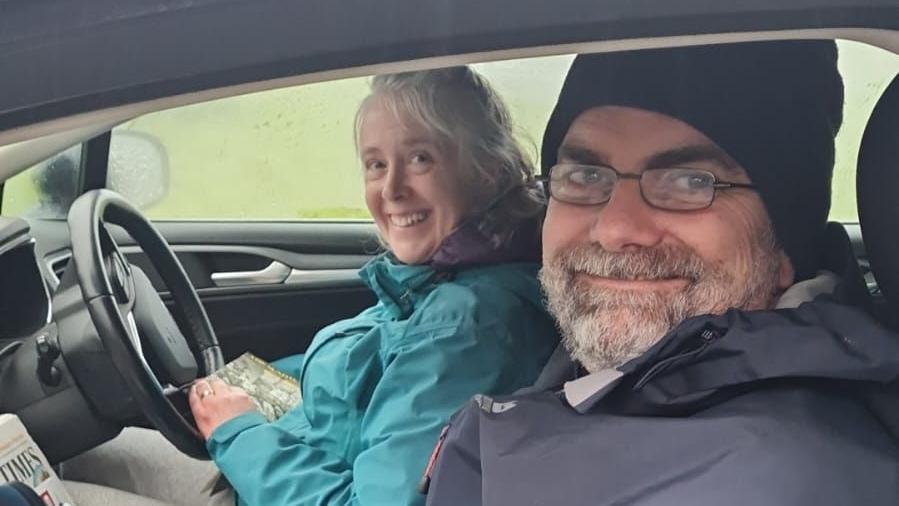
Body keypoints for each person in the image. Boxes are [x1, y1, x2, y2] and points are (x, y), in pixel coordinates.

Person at [424, 40, 899, 506]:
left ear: (782, 247)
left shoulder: (791, 476)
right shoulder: (599, 379)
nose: (615, 228)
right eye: (585, 177)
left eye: (691, 182)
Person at [62, 67, 558, 506]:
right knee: (75, 457)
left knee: (35, 489)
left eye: (421, 158)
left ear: (485, 172)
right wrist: (244, 392)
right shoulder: (438, 282)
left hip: (266, 476)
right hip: (277, 461)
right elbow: (366, 379)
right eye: (376, 164)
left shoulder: (466, 329)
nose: (392, 190)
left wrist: (239, 433)